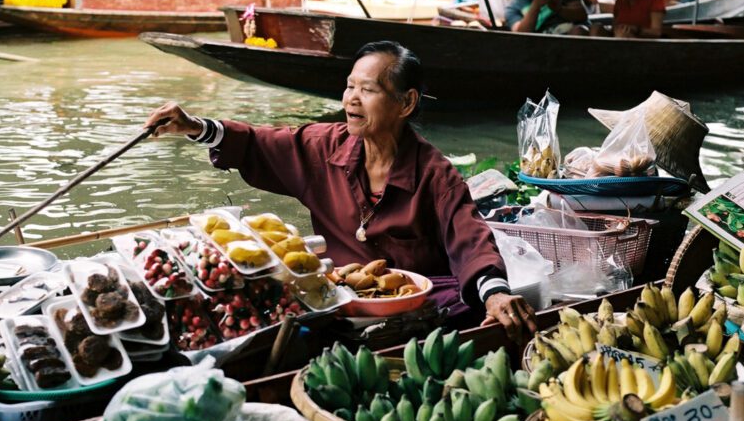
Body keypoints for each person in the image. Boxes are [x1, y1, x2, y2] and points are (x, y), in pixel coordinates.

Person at [144, 41, 538, 340]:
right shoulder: (323, 147)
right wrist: (194, 126)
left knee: (468, 312)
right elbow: (257, 142)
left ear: (406, 103)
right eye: (349, 87)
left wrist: (496, 294)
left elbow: (469, 239)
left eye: (367, 90)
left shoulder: (435, 174)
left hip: (418, 307)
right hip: (339, 301)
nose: (350, 98)